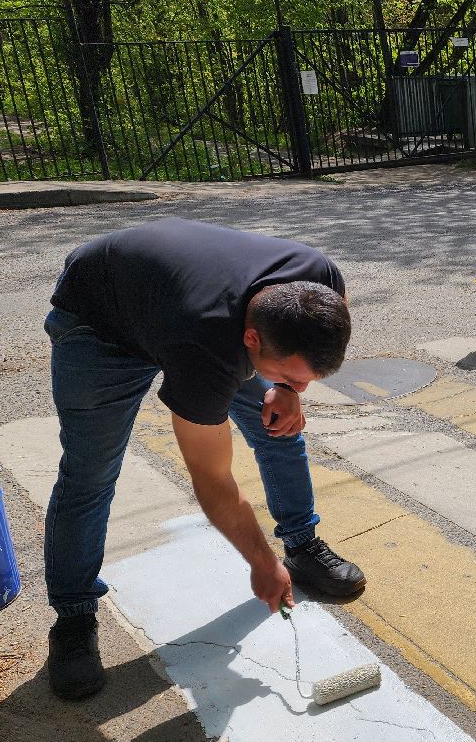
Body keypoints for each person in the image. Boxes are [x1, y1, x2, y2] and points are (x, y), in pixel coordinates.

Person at [41, 218, 366, 701]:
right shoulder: (206, 349)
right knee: (91, 473)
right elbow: (212, 479)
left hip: (181, 301)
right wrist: (259, 562)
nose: (302, 389)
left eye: (309, 380)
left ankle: (300, 544)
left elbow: (293, 362)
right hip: (102, 320)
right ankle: (72, 616)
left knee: (280, 427)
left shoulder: (318, 281)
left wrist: (285, 388)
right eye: (291, 376)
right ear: (252, 341)